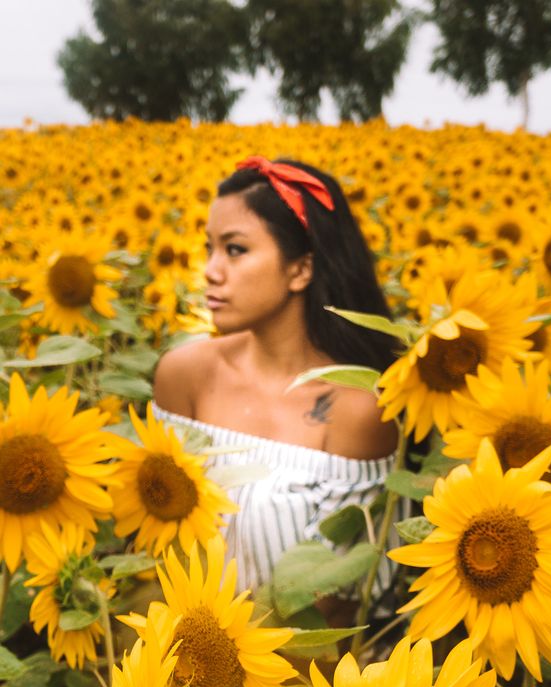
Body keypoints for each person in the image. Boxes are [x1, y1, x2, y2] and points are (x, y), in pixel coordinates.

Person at [153, 156, 402, 596]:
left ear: (301, 269)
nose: (210, 270)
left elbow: (337, 608)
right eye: (208, 247)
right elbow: (153, 543)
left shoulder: (357, 409)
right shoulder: (183, 375)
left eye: (235, 249)